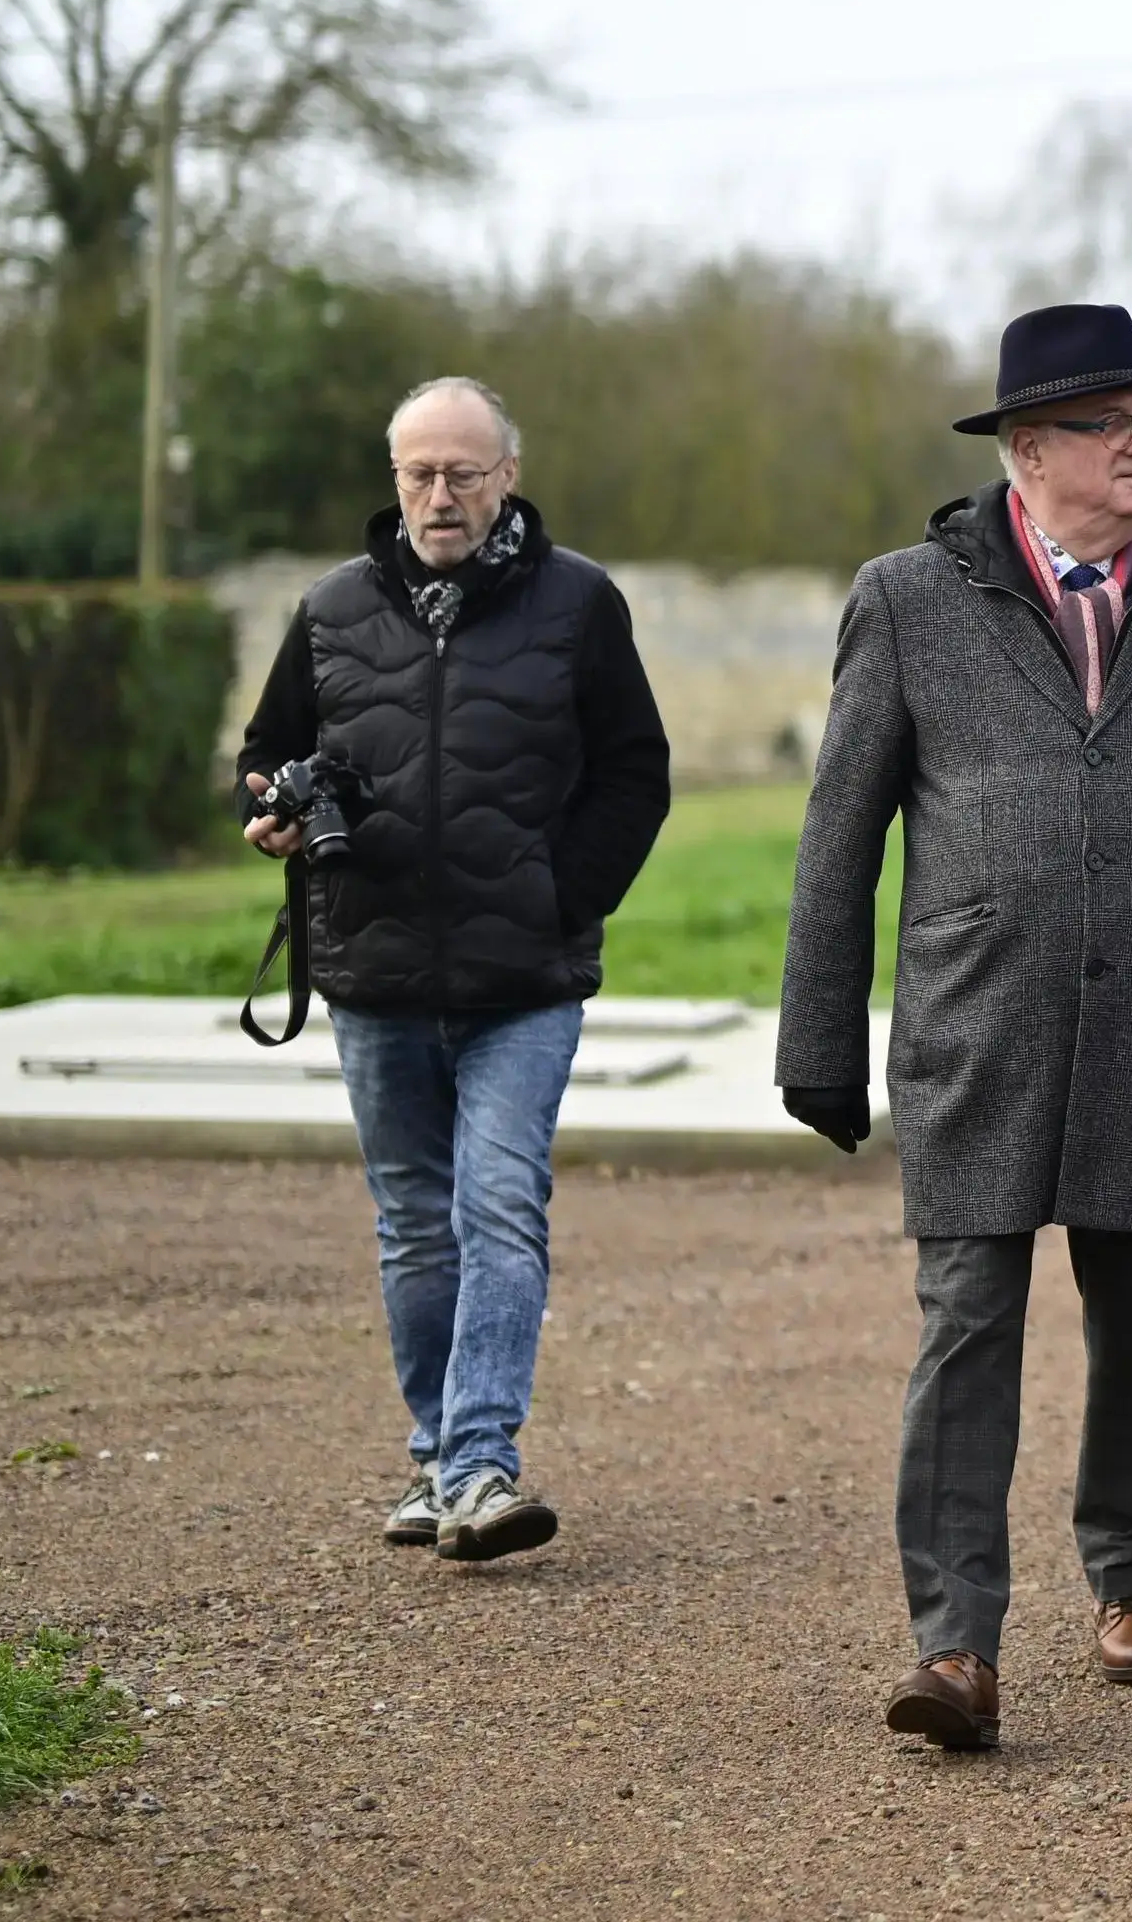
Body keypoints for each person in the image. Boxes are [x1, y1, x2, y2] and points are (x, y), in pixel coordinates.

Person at [775, 302, 1132, 1754]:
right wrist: (818, 1035)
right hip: (975, 1016)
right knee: (966, 1320)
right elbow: (838, 836)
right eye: (1109, 424)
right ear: (1025, 449)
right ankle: (954, 1647)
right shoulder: (905, 601)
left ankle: (1130, 1582)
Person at [236, 377, 672, 1568]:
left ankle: (481, 1464)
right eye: (419, 474)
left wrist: (561, 895)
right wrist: (271, 810)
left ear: (507, 477)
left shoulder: (579, 603)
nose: (440, 496)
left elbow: (636, 773)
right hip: (372, 972)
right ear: (394, 481)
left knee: (495, 1202)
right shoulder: (330, 609)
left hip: (523, 978)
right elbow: (266, 752)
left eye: (463, 474)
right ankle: (437, 1459)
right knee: (414, 1230)